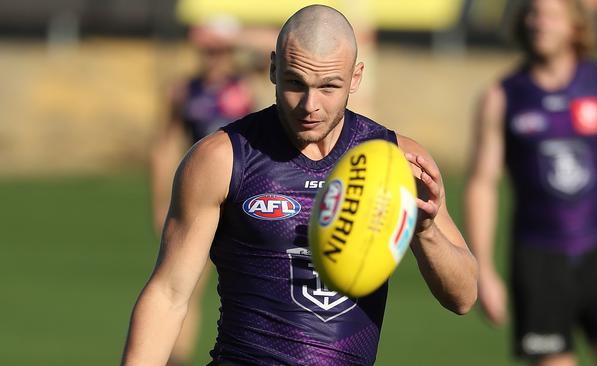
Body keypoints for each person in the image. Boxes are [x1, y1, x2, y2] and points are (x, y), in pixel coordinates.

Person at [124, 5, 478, 365]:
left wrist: (428, 231)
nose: (311, 105)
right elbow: (168, 294)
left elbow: (463, 298)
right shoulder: (222, 159)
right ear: (274, 68)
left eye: (329, 87)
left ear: (355, 78)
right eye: (296, 83)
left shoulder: (397, 162)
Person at [465, 0, 597, 365]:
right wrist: (482, 269)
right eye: (532, 13)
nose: (539, 23)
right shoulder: (502, 96)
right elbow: (482, 184)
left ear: (576, 26)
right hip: (538, 263)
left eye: (550, 15)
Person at [150, 17, 255, 366]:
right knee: (184, 285)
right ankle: (175, 359)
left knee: (249, 286)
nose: (214, 57)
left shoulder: (246, 89)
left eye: (221, 50)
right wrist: (161, 201)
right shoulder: (183, 91)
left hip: (240, 199)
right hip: (198, 200)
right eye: (208, 50)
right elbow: (164, 147)